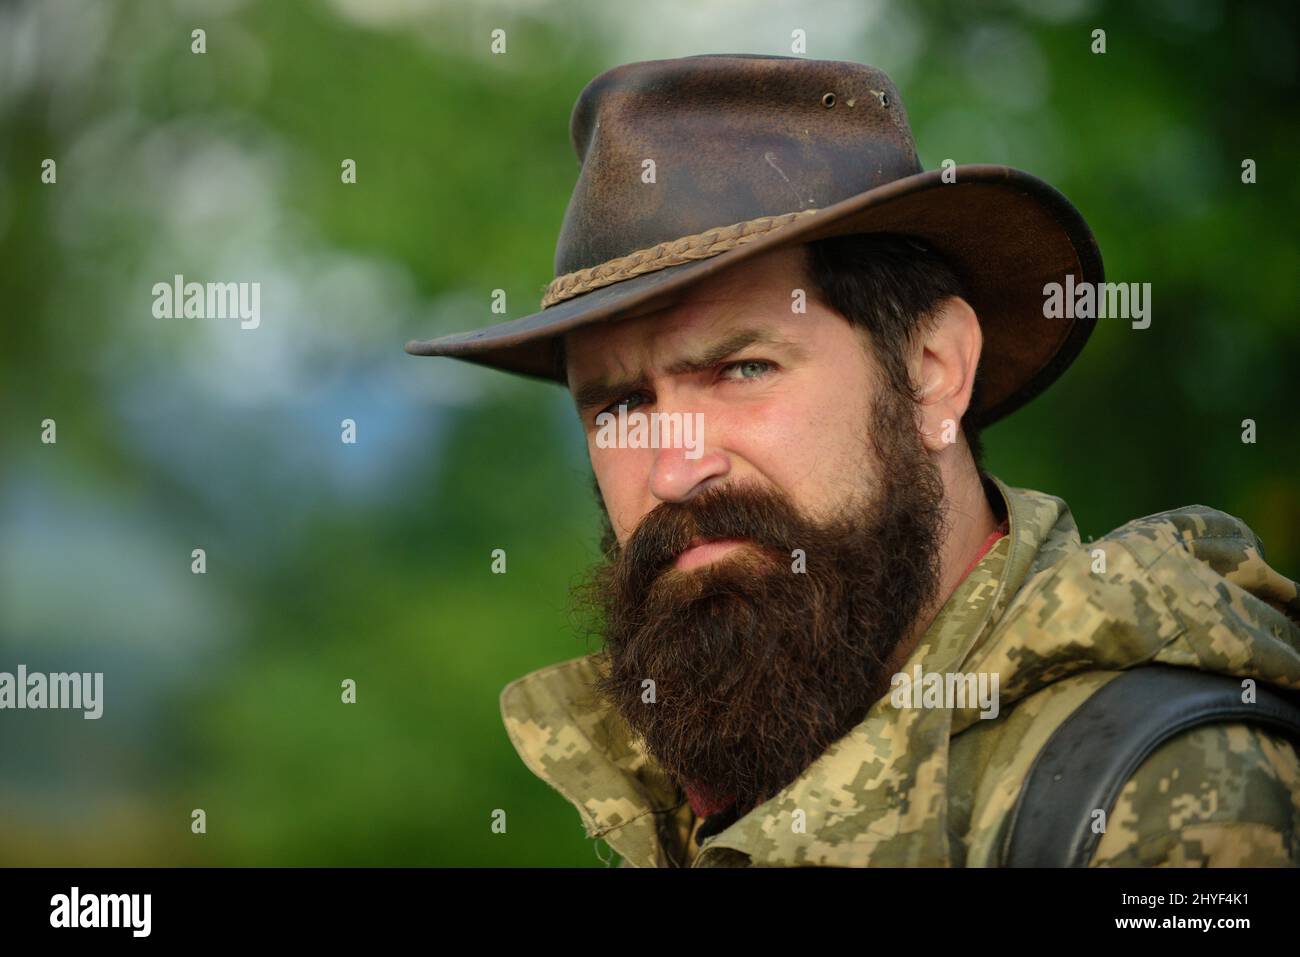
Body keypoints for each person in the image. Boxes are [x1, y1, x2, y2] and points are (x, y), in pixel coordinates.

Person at [406, 54, 1300, 867]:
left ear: (931, 373)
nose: (673, 470)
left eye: (740, 368)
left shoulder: (1162, 795)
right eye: (621, 405)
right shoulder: (699, 781)